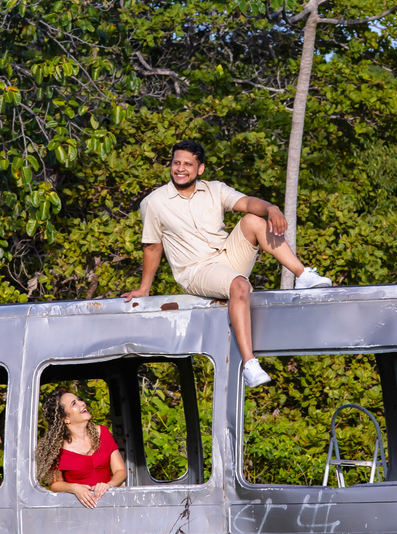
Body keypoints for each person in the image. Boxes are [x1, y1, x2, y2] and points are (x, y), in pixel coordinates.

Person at [121, 139, 332, 387]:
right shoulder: (154, 202)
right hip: (196, 271)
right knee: (239, 285)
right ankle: (250, 364)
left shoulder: (214, 189)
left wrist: (272, 208)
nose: (180, 168)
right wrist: (145, 288)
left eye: (188, 164)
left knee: (254, 219)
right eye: (176, 162)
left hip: (227, 256)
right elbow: (153, 246)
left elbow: (247, 203)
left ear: (199, 169)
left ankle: (303, 275)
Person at [35, 389, 127, 508]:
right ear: (65, 419)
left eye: (79, 399)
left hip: (112, 503)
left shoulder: (103, 432)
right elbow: (55, 484)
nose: (82, 403)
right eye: (74, 403)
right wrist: (74, 488)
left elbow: (120, 470)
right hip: (78, 508)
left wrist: (109, 485)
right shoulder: (57, 449)